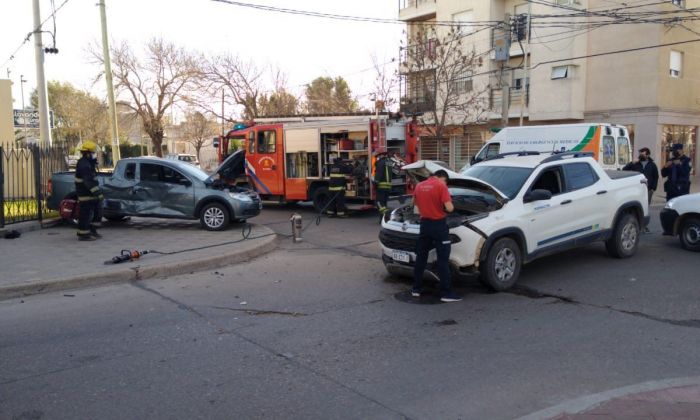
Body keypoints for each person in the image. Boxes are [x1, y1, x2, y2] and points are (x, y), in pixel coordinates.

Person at [412, 169, 461, 303]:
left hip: (424, 225)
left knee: (421, 257)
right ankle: (446, 293)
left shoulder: (419, 185)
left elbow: (415, 206)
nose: (446, 183)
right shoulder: (441, 186)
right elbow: (450, 208)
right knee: (443, 260)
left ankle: (416, 289)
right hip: (439, 226)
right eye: (446, 181)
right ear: (442, 177)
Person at [75, 141, 103, 241]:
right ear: (87, 153)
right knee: (85, 215)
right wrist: (97, 192)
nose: (95, 154)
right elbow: (88, 181)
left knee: (96, 212)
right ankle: (83, 234)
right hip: (85, 194)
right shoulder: (83, 164)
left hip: (91, 194)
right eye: (93, 152)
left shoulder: (89, 163)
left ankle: (92, 230)